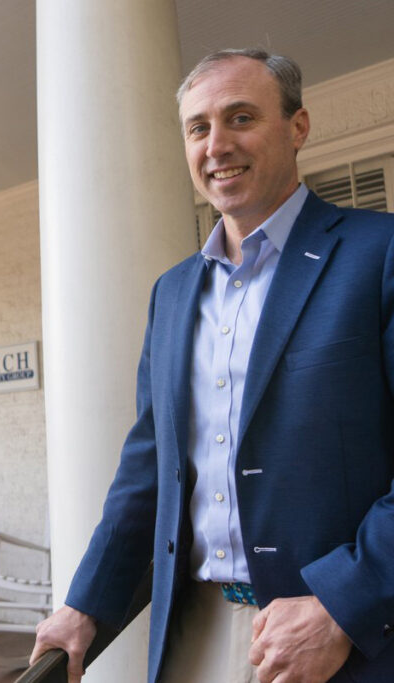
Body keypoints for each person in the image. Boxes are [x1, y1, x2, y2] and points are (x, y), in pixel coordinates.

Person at [29, 48, 394, 683]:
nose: (216, 144)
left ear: (297, 127)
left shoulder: (379, 254)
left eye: (241, 118)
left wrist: (344, 602)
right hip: (188, 636)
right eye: (198, 127)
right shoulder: (170, 295)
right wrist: (84, 604)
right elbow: (148, 472)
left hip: (337, 641)